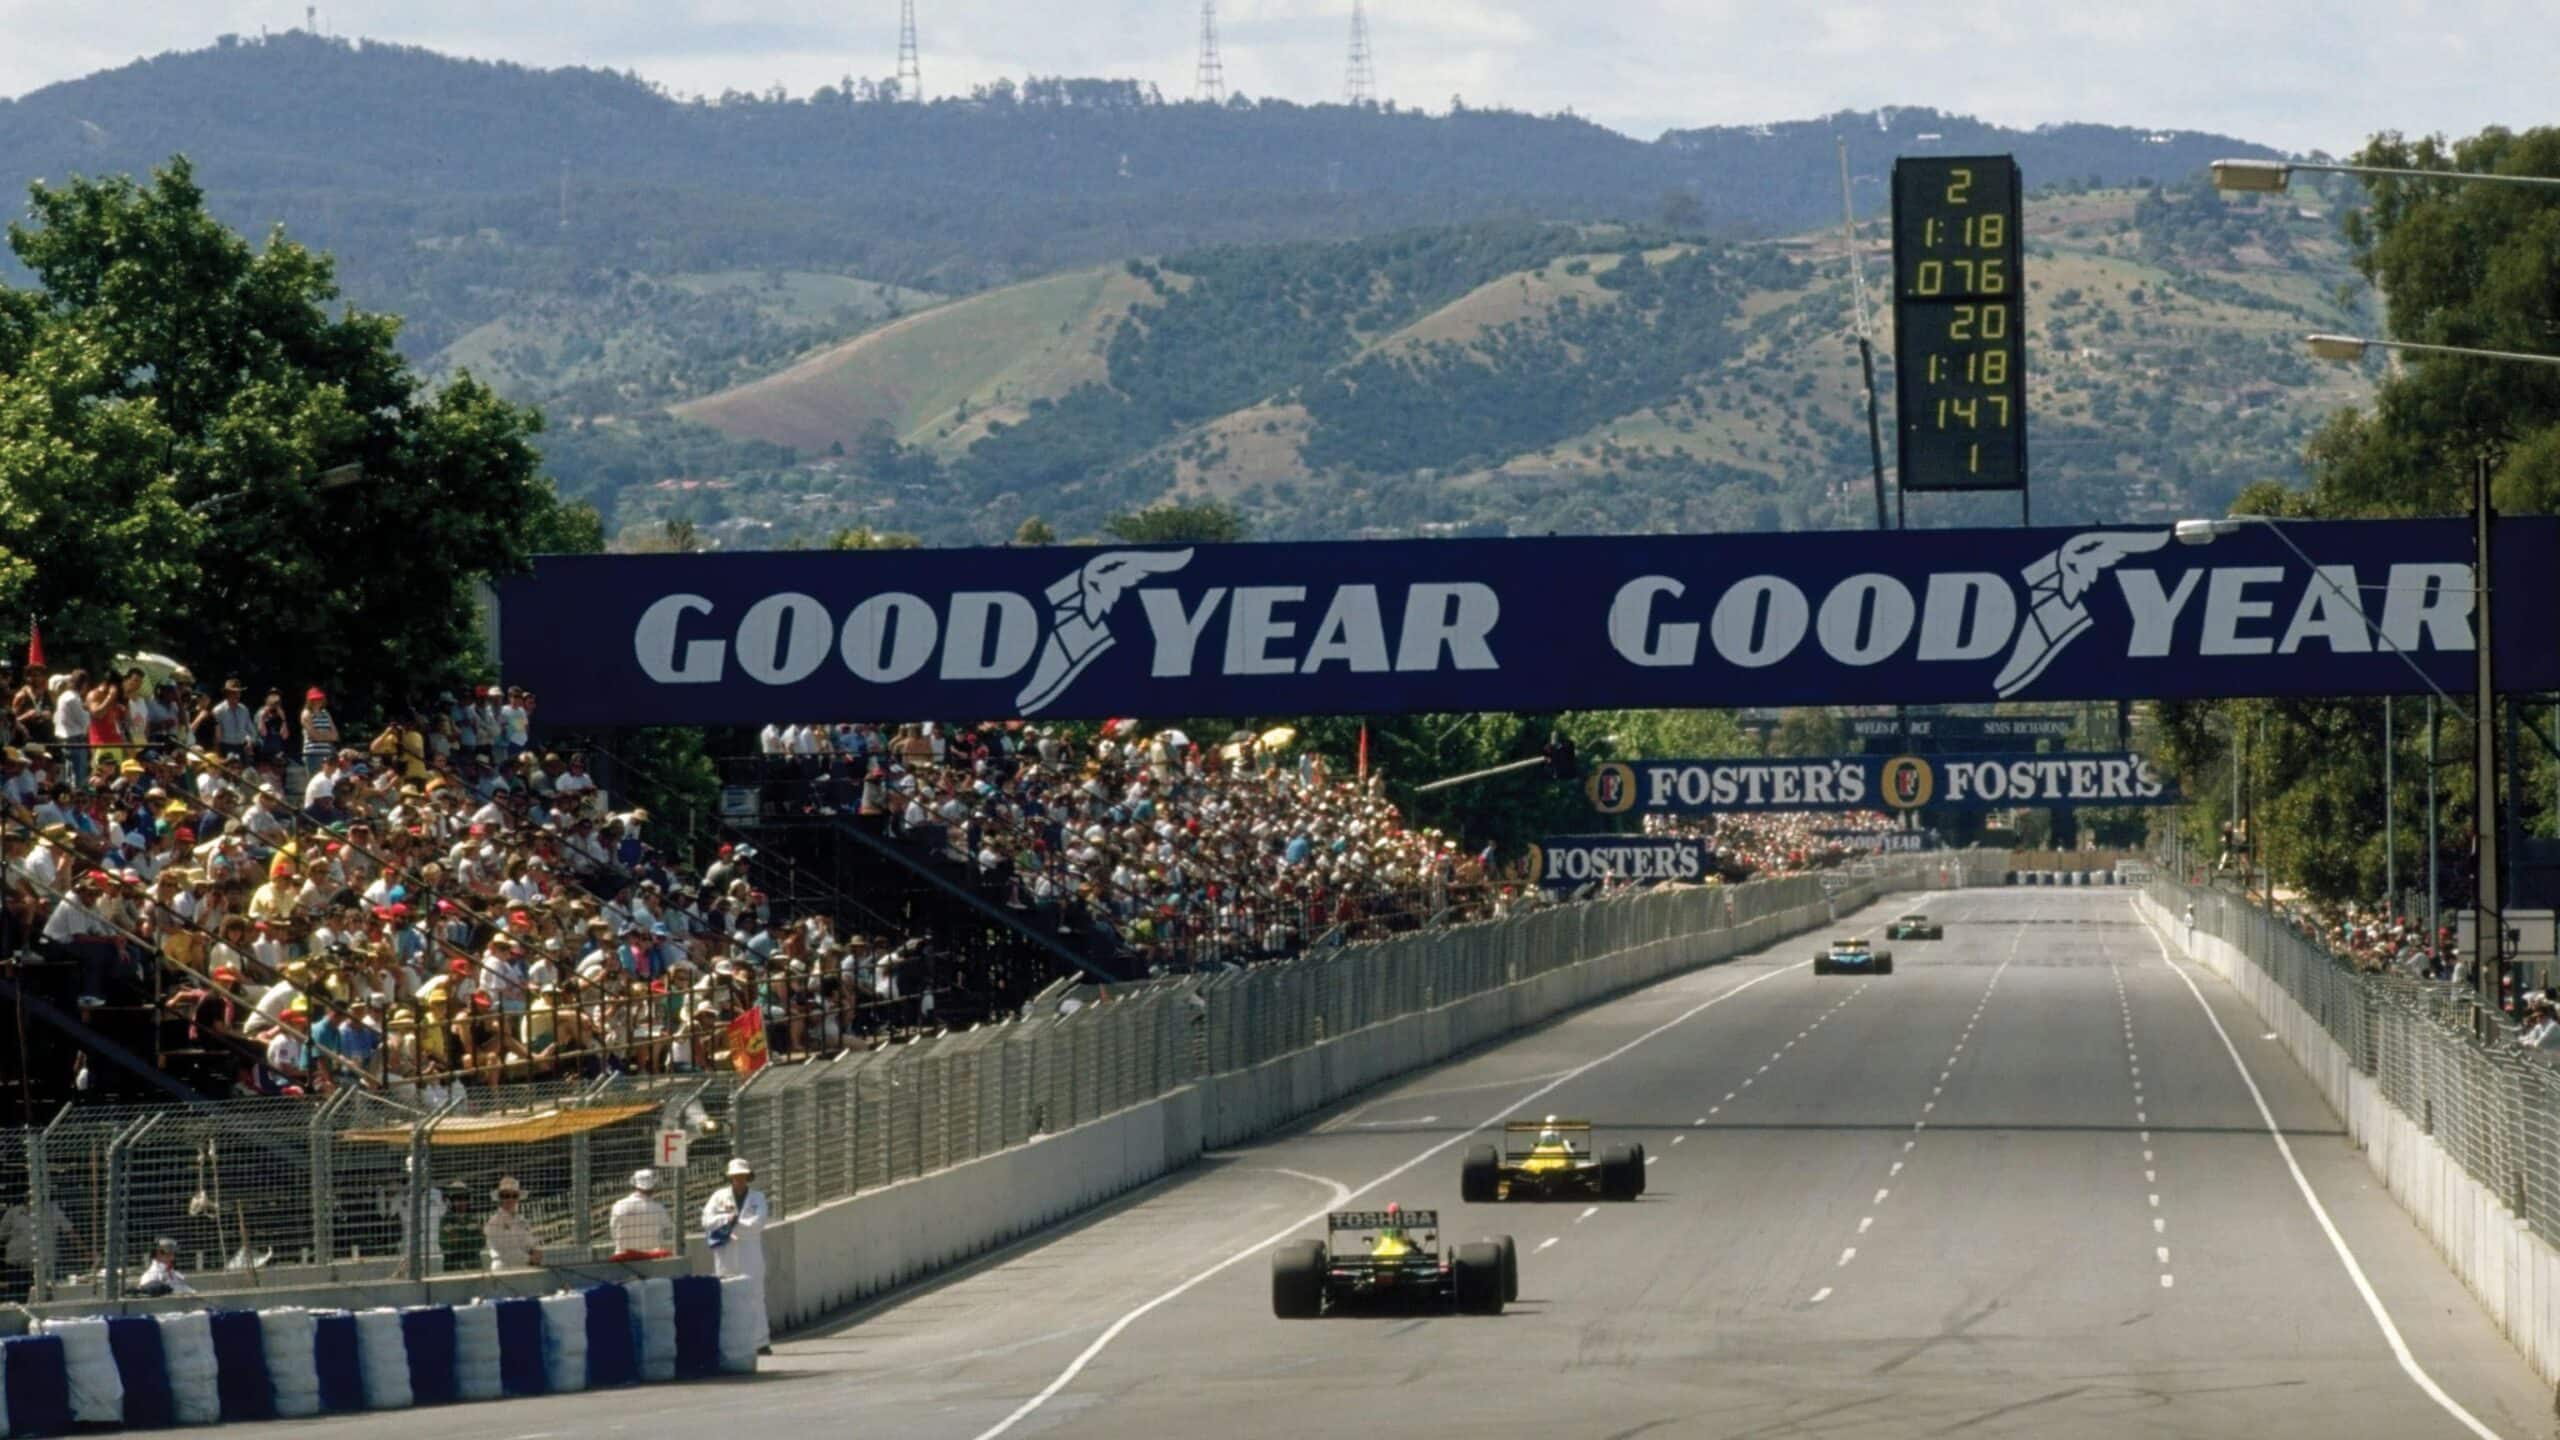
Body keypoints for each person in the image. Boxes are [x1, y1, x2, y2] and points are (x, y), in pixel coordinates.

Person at [702, 1156, 771, 1353]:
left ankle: (761, 1341)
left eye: (742, 1176)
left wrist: (733, 1224)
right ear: (730, 1178)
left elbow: (757, 1224)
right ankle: (728, 1341)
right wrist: (727, 1218)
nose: (739, 1180)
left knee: (755, 1293)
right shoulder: (718, 1196)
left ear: (748, 1177)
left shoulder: (758, 1198)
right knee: (726, 1291)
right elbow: (707, 1221)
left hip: (750, 1250)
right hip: (725, 1250)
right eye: (735, 1177)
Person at [609, 1168, 676, 1259]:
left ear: (635, 1185)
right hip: (651, 1258)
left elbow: (613, 1231)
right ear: (653, 1187)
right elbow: (667, 1232)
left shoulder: (619, 1205)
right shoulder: (659, 1209)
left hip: (623, 1258)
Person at [483, 1176, 544, 1268]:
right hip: (504, 1272)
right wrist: (530, 1259)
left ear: (518, 1198)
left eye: (514, 1196)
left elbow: (529, 1242)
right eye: (506, 1196)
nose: (510, 1199)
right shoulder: (494, 1222)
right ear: (500, 1198)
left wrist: (536, 1250)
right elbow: (505, 1252)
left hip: (525, 1270)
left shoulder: (522, 1220)